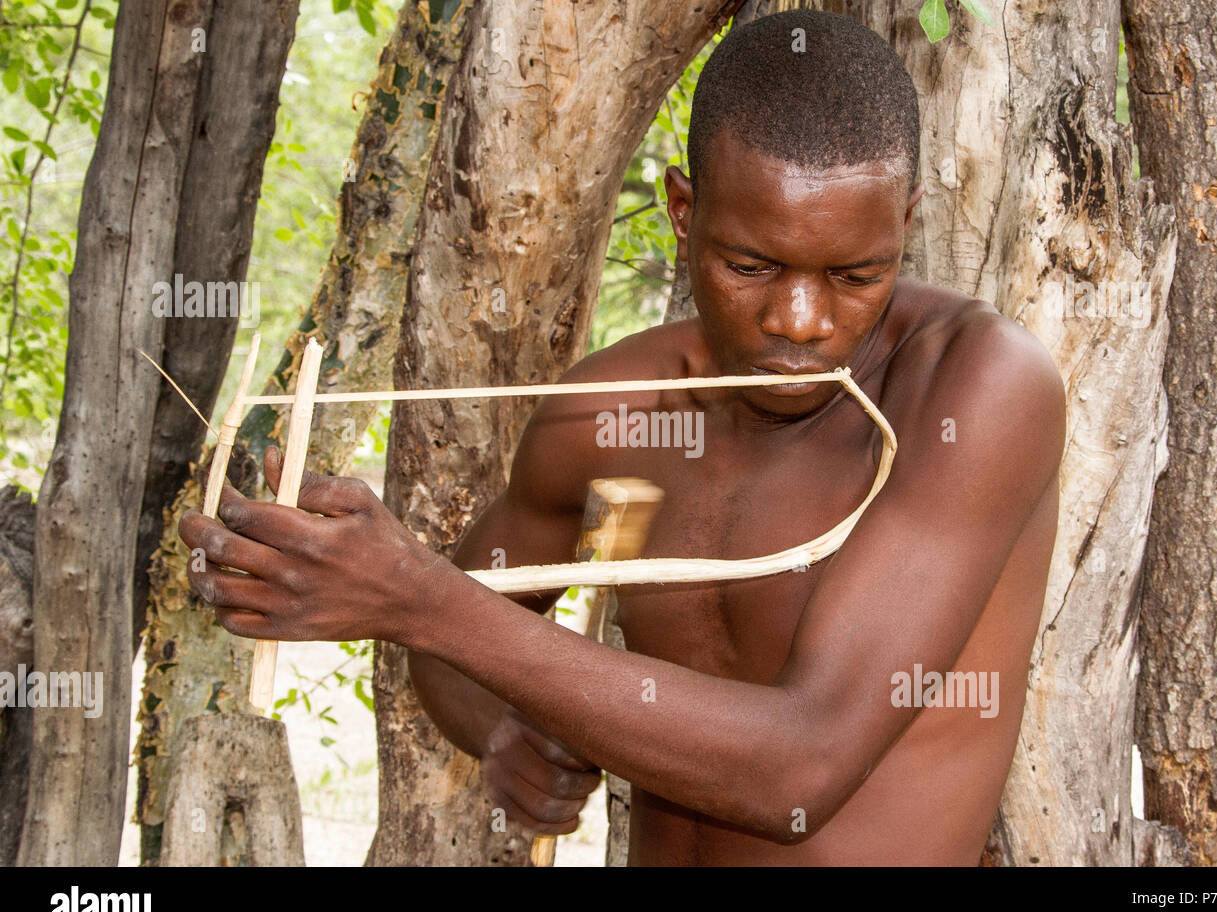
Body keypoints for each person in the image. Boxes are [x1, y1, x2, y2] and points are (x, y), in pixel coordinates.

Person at [180, 9, 1066, 865]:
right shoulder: (613, 409)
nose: (801, 321)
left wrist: (420, 597)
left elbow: (803, 765)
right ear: (684, 212)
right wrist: (506, 732)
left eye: (855, 274)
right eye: (750, 266)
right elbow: (458, 646)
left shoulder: (977, 390)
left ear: (904, 223)